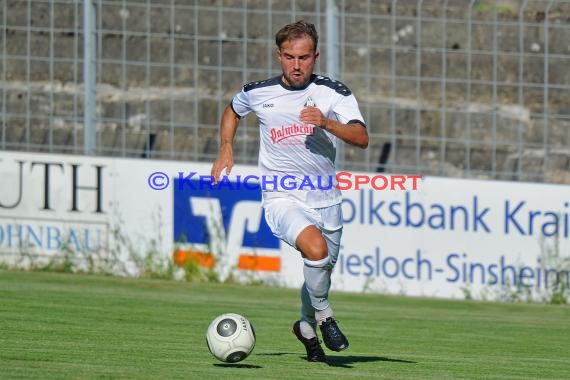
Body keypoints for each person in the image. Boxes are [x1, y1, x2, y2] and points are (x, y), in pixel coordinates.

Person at [211, 20, 368, 363]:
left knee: (320, 268)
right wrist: (226, 146)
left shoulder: (333, 92)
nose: (297, 65)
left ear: (316, 56)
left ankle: (307, 328)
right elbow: (232, 111)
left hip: (326, 199)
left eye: (304, 57)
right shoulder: (258, 92)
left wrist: (326, 122)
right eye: (289, 57)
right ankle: (326, 318)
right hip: (281, 196)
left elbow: (361, 138)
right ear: (279, 56)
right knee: (316, 248)